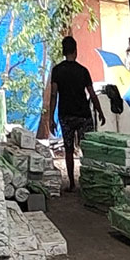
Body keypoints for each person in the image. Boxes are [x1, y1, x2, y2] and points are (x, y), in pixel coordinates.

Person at [43, 35, 99, 191]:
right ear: (76, 51)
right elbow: (92, 94)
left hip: (66, 115)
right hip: (83, 115)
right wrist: (100, 111)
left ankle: (72, 184)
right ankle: (89, 182)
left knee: (68, 149)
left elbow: (53, 94)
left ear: (63, 51)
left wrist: (51, 118)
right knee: (86, 148)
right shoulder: (83, 71)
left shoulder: (57, 71)